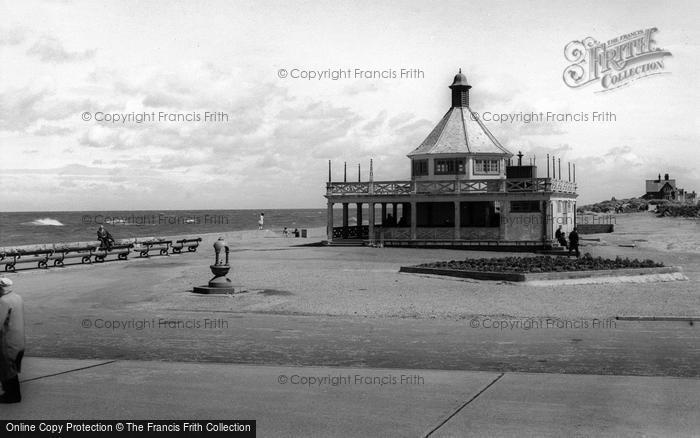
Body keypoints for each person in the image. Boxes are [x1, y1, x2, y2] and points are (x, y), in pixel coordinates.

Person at [0, 278, 24, 403]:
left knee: (7, 369)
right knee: (11, 368)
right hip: (18, 340)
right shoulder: (17, 297)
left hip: (7, 341)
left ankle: (12, 396)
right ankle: (10, 393)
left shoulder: (3, 301)